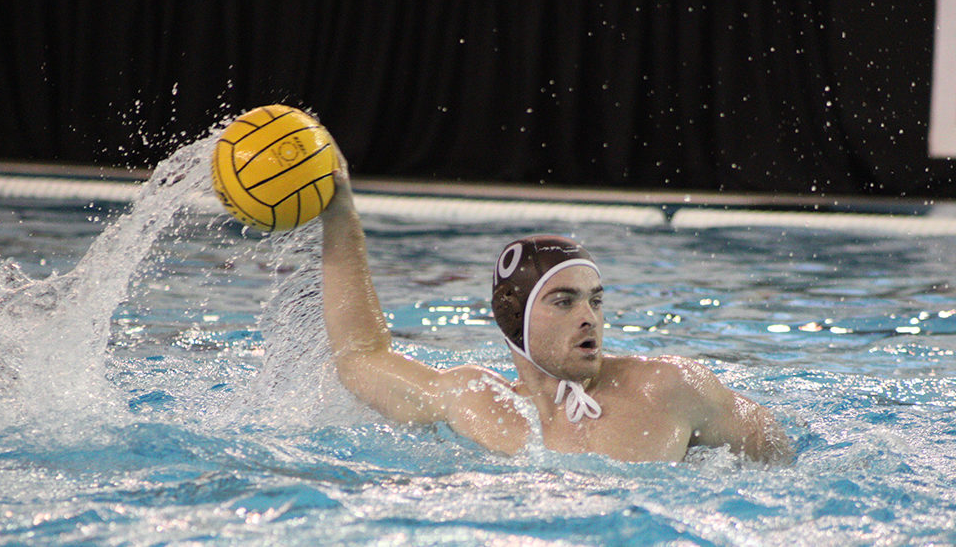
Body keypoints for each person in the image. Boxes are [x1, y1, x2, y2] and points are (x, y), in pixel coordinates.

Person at [320, 157, 792, 464]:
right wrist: (339, 213)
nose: (589, 316)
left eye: (596, 300)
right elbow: (360, 356)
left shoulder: (668, 387)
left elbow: (779, 457)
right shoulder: (473, 400)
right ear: (515, 318)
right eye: (564, 301)